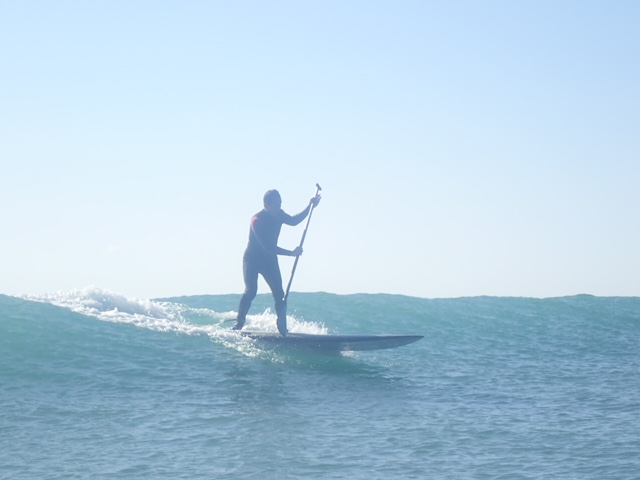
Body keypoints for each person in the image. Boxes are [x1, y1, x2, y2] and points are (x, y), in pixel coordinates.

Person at [233, 189, 321, 336]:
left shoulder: (279, 214)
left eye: (280, 204)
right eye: (276, 205)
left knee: (279, 293)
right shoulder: (257, 220)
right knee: (251, 291)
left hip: (269, 260)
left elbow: (293, 221)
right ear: (266, 206)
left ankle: (282, 327)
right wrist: (291, 253)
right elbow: (268, 247)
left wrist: (310, 206)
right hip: (252, 260)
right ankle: (239, 324)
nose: (279, 208)